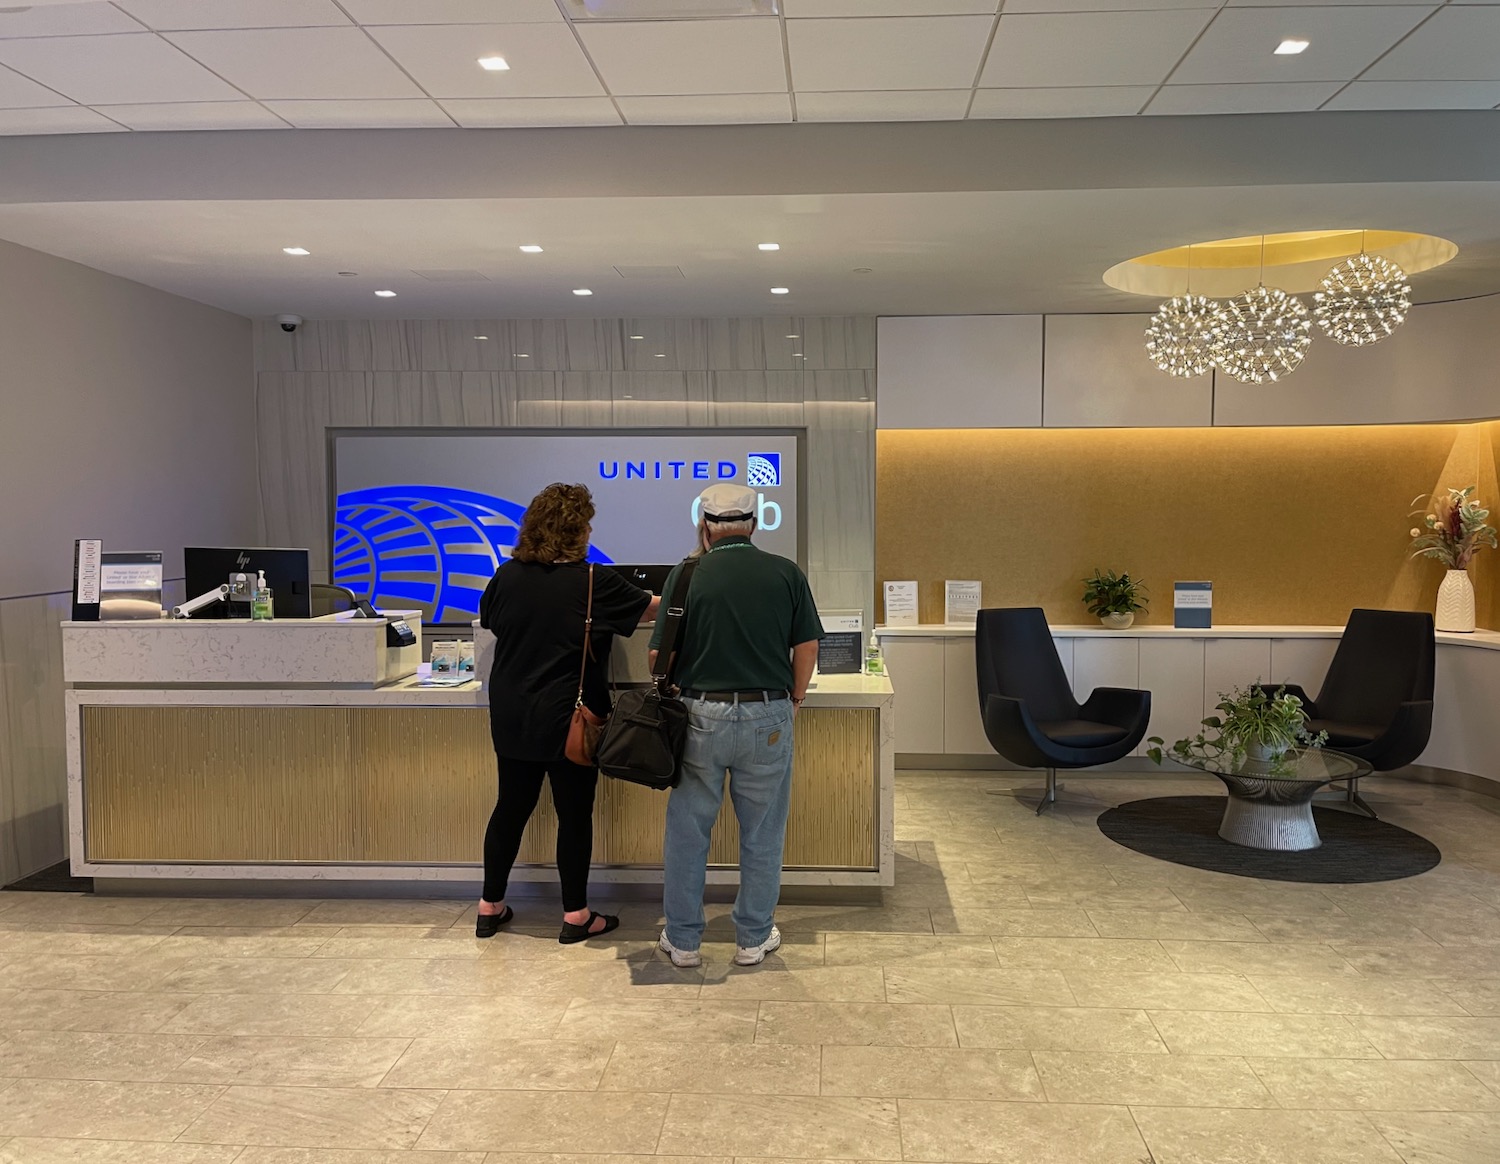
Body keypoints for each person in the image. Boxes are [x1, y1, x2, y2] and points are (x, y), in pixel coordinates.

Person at [476, 482, 658, 943]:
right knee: (573, 815)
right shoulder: (594, 581)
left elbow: (492, 621)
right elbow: (654, 611)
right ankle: (576, 916)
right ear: (580, 531)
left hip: (513, 715)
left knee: (510, 809)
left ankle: (489, 906)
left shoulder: (506, 576)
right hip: (571, 720)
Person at [653, 482, 824, 968]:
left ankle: (684, 941)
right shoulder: (785, 573)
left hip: (699, 715)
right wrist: (794, 698)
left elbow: (655, 654)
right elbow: (807, 648)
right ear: (754, 523)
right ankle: (752, 937)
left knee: (689, 831)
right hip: (767, 713)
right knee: (763, 832)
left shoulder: (685, 575)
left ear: (705, 525)